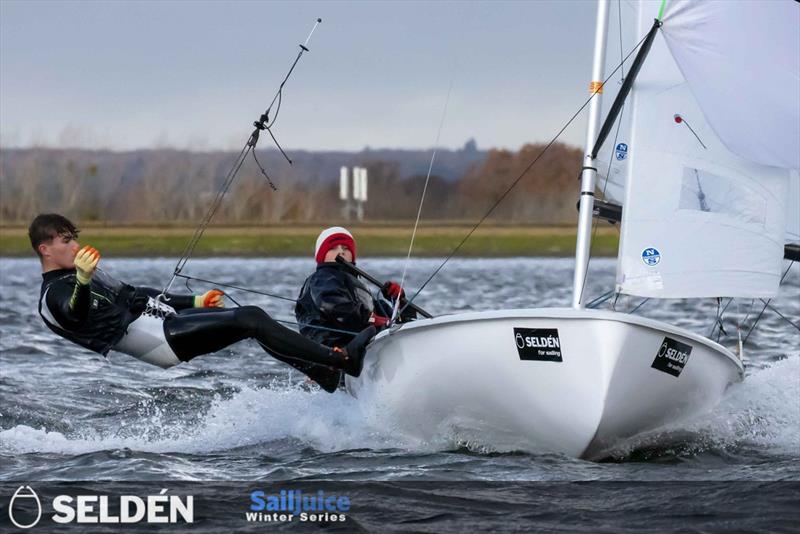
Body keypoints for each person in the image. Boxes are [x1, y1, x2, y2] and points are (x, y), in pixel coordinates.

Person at [30, 214, 375, 386]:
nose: (74, 247)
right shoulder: (54, 294)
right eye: (64, 242)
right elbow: (73, 314)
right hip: (158, 342)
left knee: (250, 324)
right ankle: (340, 361)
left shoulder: (82, 274)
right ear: (45, 250)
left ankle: (324, 372)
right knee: (251, 319)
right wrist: (84, 281)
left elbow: (138, 297)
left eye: (73, 239)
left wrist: (194, 301)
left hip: (166, 323)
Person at [293, 226, 416, 391]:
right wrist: (371, 319)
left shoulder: (360, 288)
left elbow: (398, 324)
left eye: (345, 248)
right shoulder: (322, 278)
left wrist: (399, 301)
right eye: (332, 248)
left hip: (362, 358)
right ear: (322, 256)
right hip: (330, 356)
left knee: (380, 319)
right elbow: (332, 306)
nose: (341, 252)